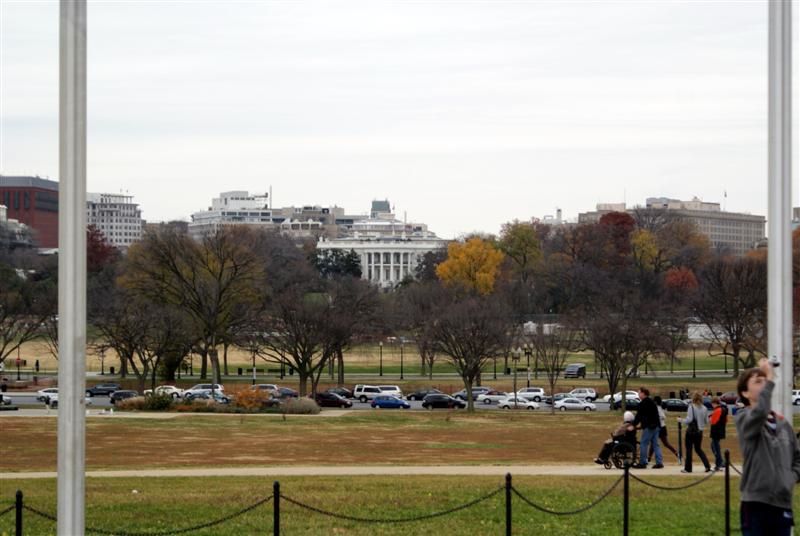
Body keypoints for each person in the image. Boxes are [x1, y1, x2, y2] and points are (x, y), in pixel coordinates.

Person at [736, 358, 800, 536]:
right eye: (758, 381)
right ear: (745, 393)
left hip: (782, 503)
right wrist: (770, 380)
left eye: (765, 380)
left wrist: (789, 478)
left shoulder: (783, 424)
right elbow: (759, 413)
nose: (764, 384)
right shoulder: (744, 419)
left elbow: (797, 458)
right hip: (755, 504)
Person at [679, 392, 711, 473]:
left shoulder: (691, 407)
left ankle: (688, 468)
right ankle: (707, 466)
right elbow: (707, 421)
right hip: (699, 432)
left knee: (689, 450)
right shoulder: (704, 408)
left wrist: (681, 420)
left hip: (690, 432)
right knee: (698, 449)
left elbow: (689, 419)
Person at [633, 387, 663, 469]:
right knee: (655, 444)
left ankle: (642, 462)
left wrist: (633, 425)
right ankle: (659, 462)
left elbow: (638, 416)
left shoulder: (643, 404)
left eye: (639, 393)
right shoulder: (652, 402)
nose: (638, 394)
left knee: (643, 443)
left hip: (649, 427)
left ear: (643, 393)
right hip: (656, 426)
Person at [649, 395, 679, 462]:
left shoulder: (657, 408)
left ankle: (677, 453)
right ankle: (649, 458)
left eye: (654, 401)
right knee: (656, 443)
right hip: (662, 427)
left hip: (660, 428)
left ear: (656, 402)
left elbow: (663, 417)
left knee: (662, 443)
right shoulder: (660, 407)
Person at [708, 396, 728, 471]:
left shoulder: (717, 410)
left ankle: (718, 464)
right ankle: (721, 462)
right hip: (721, 431)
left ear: (714, 403)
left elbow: (713, 422)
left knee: (716, 448)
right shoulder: (723, 409)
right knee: (714, 446)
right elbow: (726, 420)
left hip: (715, 431)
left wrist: (710, 418)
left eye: (712, 404)